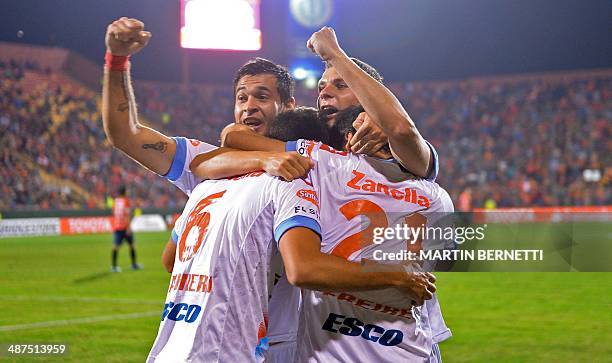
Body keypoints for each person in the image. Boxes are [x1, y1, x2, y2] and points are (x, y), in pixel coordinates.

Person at [146, 131, 436, 361]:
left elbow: (170, 259)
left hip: (174, 344)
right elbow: (304, 268)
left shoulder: (208, 184)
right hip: (236, 345)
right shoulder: (294, 180)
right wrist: (397, 276)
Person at [110, 185, 141, 272]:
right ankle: (134, 264)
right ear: (124, 192)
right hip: (124, 227)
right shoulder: (126, 201)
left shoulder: (115, 201)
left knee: (115, 247)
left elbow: (114, 213)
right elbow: (126, 214)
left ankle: (114, 266)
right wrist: (128, 227)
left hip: (117, 226)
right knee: (131, 245)